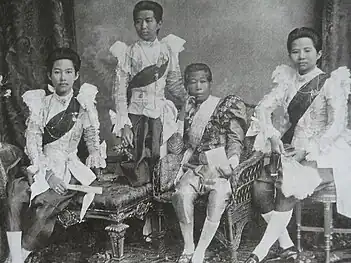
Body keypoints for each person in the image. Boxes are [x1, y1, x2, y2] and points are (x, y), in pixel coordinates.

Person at [245, 27, 351, 263]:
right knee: (260, 187)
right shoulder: (287, 82)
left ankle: (258, 253)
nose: (301, 56)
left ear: (319, 53)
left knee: (287, 186)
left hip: (325, 150)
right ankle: (287, 245)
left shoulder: (329, 83)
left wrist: (310, 148)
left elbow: (337, 124)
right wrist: (272, 135)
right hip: (293, 146)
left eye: (307, 51)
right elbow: (263, 109)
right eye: (295, 52)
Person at [5, 47, 106, 263]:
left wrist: (95, 157)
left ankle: (18, 258)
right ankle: (13, 255)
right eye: (58, 72)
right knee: (15, 197)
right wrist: (46, 173)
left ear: (76, 75)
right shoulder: (40, 104)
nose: (63, 77)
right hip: (41, 164)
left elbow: (91, 138)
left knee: (44, 207)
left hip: (69, 168)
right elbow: (33, 143)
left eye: (69, 72)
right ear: (50, 75)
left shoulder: (83, 105)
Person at [171, 63, 247, 263]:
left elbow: (235, 139)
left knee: (219, 193)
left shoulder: (224, 106)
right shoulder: (187, 110)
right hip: (196, 167)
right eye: (193, 82)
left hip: (219, 167)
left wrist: (232, 161)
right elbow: (177, 147)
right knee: (181, 194)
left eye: (202, 82)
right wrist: (181, 116)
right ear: (186, 86)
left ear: (210, 83)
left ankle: (201, 250)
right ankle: (189, 246)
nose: (198, 87)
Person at [109, 0, 188, 188]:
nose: (143, 26)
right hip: (135, 115)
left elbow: (174, 84)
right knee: (138, 172)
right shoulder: (128, 53)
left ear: (159, 23)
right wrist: (125, 124)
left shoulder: (168, 50)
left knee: (159, 167)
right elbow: (119, 92)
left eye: (149, 20)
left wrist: (189, 100)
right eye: (138, 21)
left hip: (159, 115)